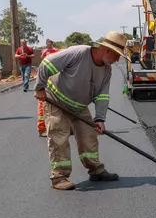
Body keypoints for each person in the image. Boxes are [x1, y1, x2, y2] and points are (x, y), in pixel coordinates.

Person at [34, 31, 125, 190]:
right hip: (57, 101)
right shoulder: (79, 53)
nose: (118, 59)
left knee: (89, 136)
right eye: (117, 55)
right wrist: (40, 87)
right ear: (106, 50)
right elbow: (47, 64)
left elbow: (102, 95)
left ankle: (96, 170)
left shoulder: (107, 70)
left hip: (80, 106)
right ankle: (59, 177)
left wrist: (100, 119)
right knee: (59, 139)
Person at [36, 39, 60, 137]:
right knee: (42, 103)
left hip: (54, 76)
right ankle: (42, 128)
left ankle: (57, 126)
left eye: (49, 43)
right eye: (47, 43)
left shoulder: (56, 51)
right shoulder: (44, 51)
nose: (48, 45)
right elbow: (41, 59)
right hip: (45, 77)